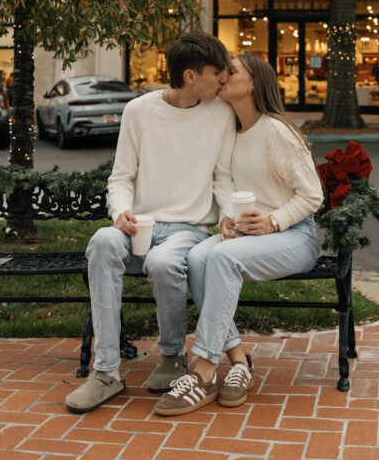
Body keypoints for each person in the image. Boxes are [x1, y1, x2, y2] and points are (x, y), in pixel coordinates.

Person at [65, 31, 236, 414]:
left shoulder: (220, 113)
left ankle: (172, 355)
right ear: (191, 76)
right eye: (216, 72)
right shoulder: (139, 111)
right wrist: (119, 211)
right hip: (139, 225)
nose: (223, 78)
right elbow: (121, 177)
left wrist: (227, 216)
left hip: (188, 229)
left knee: (163, 262)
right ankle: (106, 371)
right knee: (102, 242)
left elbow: (222, 177)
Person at [154, 54, 324, 416]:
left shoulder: (277, 131)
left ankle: (202, 370)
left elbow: (312, 195)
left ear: (253, 84)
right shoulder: (234, 129)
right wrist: (228, 220)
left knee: (222, 257)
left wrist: (273, 222)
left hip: (295, 235)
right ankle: (239, 363)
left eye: (231, 72)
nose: (222, 76)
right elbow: (226, 182)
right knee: (199, 256)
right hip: (251, 235)